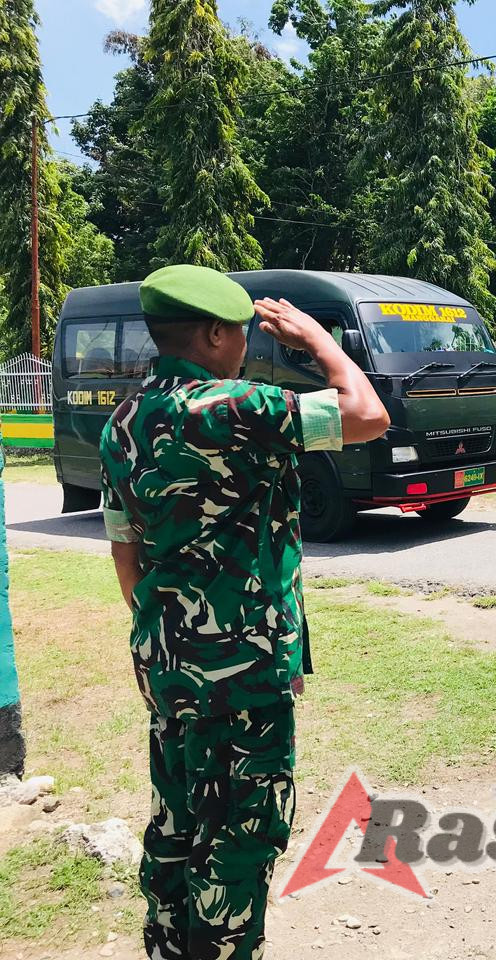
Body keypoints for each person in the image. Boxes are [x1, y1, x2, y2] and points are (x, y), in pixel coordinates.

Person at [99, 265, 390, 959]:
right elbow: (367, 415)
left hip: (166, 661)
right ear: (211, 333)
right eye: (237, 333)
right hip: (246, 668)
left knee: (177, 821)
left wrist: (165, 641)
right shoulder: (238, 407)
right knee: (240, 833)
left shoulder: (123, 420)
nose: (245, 346)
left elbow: (124, 554)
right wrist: (321, 340)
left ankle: (170, 947)